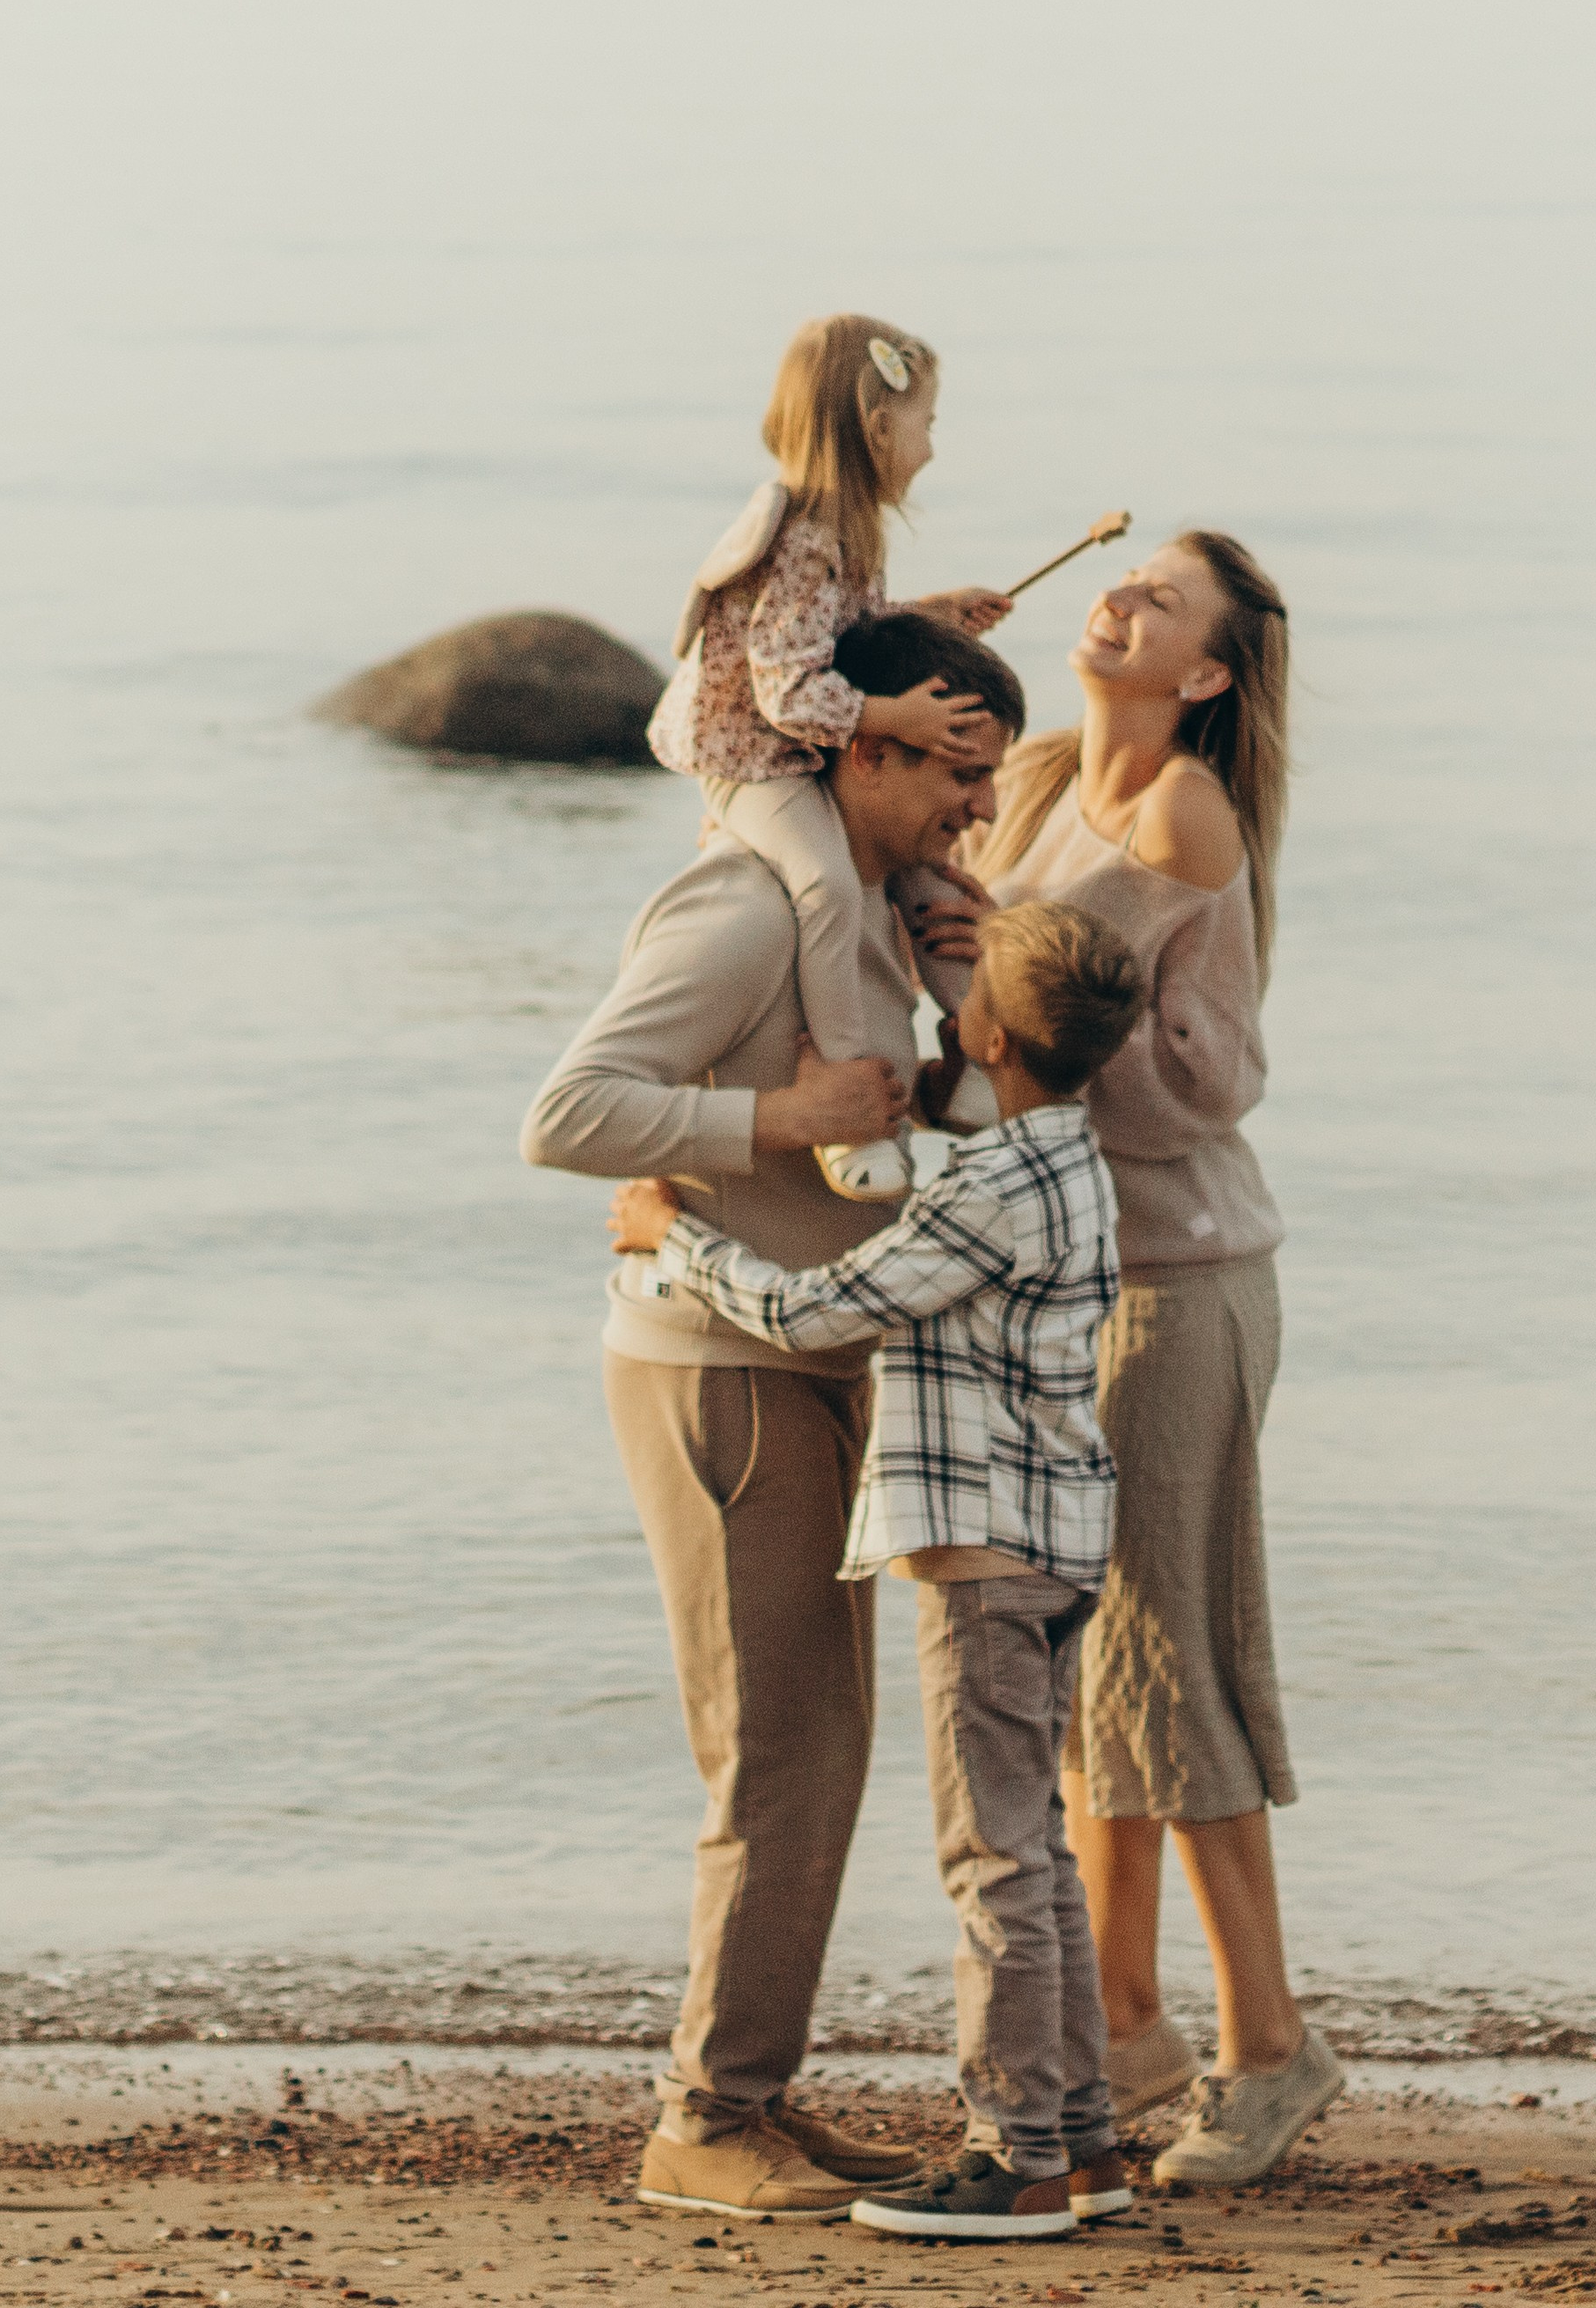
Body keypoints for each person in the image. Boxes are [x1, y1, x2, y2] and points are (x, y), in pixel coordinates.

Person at [520, 611, 1026, 2223]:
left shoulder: (871, 908)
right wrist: (775, 1115)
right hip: (713, 1367)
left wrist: (971, 1000)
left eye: (991, 776)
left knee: (820, 1748)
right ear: (853, 746)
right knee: (778, 1754)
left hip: (814, 1355)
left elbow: (912, 1119)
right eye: (955, 768)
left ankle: (750, 2096)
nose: (975, 805)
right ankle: (701, 2120)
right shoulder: (746, 906)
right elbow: (570, 1112)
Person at [607, 900, 1146, 2245]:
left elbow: (813, 1309)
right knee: (1039, 1855)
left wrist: (667, 1236)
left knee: (992, 1862)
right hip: (1062, 1536)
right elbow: (912, 1181)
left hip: (982, 1554)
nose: (939, 1013)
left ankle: (1012, 2152)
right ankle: (1082, 2142)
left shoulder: (979, 1190)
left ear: (990, 1034)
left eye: (956, 999)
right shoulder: (1064, 1160)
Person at [909, 531, 1342, 2190]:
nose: (1120, 602)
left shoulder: (1182, 819)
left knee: (1176, 1661)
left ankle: (1265, 2045)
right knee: (1093, 1678)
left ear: (1208, 674)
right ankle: (1126, 2011)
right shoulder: (1026, 780)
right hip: (1064, 1284)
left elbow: (1200, 1086)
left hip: (1177, 1287)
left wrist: (1009, 980)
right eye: (1124, 581)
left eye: (1161, 603)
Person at [646, 312, 1011, 1202]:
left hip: (798, 742)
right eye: (926, 423)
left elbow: (845, 634)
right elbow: (786, 691)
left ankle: (973, 1059)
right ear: (879, 429)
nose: (932, 446)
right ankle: (848, 1094)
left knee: (932, 882)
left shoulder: (849, 529)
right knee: (828, 888)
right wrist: (898, 717)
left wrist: (926, 615)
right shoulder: (807, 536)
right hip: (753, 760)